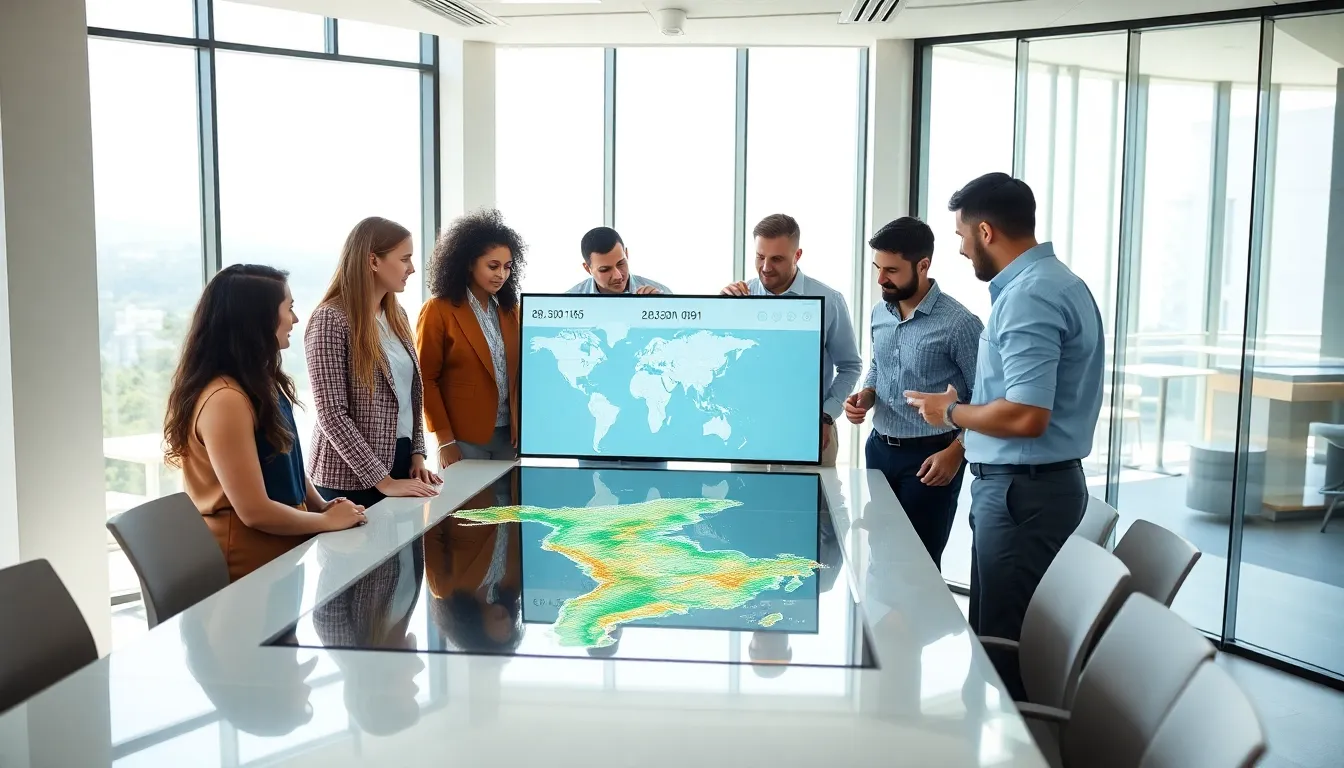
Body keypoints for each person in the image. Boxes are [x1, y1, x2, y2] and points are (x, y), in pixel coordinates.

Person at [904, 173, 1104, 699]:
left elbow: (1026, 416)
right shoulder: (1058, 283)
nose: (962, 249)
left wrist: (951, 411)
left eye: (962, 236)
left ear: (986, 231)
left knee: (1004, 646)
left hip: (1022, 493)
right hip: (1028, 488)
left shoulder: (1029, 297)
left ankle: (1019, 749)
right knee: (1000, 634)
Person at [163, 264, 367, 583]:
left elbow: (284, 456)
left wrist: (321, 505)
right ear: (257, 320)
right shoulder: (226, 399)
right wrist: (326, 522)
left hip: (280, 554)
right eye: (289, 309)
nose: (295, 320)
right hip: (248, 570)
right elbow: (254, 511)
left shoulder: (258, 383)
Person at [843, 217, 982, 571]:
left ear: (923, 265)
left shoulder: (960, 323)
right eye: (877, 268)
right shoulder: (879, 312)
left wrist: (957, 452)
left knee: (918, 569)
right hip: (878, 450)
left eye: (891, 270)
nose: (880, 279)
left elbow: (985, 397)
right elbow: (879, 364)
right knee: (881, 558)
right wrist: (867, 394)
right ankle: (879, 629)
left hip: (931, 459)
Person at [306, 216, 440, 509]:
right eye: (404, 259)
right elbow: (332, 414)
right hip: (348, 478)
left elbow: (410, 395)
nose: (412, 268)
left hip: (400, 462)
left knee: (411, 554)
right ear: (373, 261)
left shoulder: (398, 316)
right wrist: (384, 481)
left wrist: (417, 454)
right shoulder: (330, 319)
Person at [720, 213, 862, 466]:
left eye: (776, 259)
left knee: (811, 505)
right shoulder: (738, 298)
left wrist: (826, 416)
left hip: (810, 431)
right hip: (748, 434)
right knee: (748, 505)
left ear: (797, 256)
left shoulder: (830, 300)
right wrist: (720, 313)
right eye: (760, 257)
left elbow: (850, 366)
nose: (765, 267)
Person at [417, 208, 525, 468]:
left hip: (508, 437)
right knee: (468, 509)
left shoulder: (511, 311)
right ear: (468, 262)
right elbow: (425, 380)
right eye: (493, 266)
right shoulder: (438, 310)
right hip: (463, 438)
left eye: (508, 267)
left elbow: (519, 375)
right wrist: (444, 440)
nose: (501, 274)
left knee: (506, 508)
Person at [566, 226, 671, 295]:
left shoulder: (662, 295)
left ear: (626, 254)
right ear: (588, 269)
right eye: (605, 269)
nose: (618, 276)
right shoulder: (567, 305)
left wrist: (657, 312)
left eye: (621, 263)